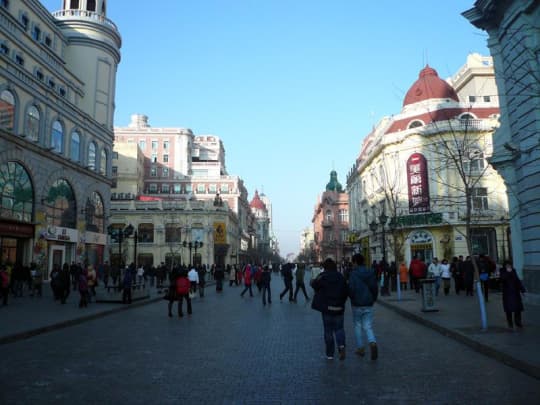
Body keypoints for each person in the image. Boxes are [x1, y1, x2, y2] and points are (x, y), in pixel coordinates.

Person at [310, 258, 348, 360]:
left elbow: (314, 285)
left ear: (325, 267)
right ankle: (341, 345)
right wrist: (342, 302)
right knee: (339, 329)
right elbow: (346, 291)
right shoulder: (340, 277)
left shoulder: (323, 276)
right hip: (339, 307)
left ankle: (330, 354)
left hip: (327, 308)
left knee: (328, 331)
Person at [348, 253, 379, 360]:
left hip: (357, 303)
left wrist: (351, 297)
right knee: (368, 326)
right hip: (368, 302)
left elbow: (351, 289)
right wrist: (374, 298)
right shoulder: (370, 272)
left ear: (355, 262)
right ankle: (372, 342)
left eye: (353, 262)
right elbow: (374, 287)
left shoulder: (353, 274)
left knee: (357, 325)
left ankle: (360, 348)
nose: (352, 264)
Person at [499, 260, 526, 330]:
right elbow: (502, 279)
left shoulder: (513, 270)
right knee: (508, 310)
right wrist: (508, 272)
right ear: (505, 266)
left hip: (515, 293)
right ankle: (510, 323)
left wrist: (522, 289)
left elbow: (517, 280)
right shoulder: (502, 271)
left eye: (509, 265)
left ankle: (518, 323)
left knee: (518, 309)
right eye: (507, 265)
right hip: (507, 294)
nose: (508, 266)